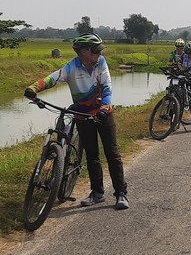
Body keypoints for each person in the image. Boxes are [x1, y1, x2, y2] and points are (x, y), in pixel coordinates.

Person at [23, 33, 129, 210]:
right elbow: (53, 78)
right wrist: (34, 88)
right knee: (92, 155)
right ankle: (97, 193)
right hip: (82, 115)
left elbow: (107, 86)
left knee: (112, 154)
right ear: (83, 51)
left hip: (104, 113)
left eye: (99, 50)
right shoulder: (71, 67)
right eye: (95, 50)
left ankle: (121, 194)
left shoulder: (101, 63)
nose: (99, 54)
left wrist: (104, 107)